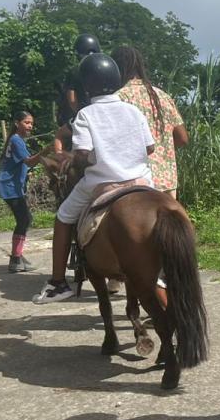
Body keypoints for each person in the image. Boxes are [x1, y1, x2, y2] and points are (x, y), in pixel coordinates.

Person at [32, 53, 156, 304]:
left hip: (101, 183)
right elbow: (149, 149)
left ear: (87, 86)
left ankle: (58, 282)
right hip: (143, 182)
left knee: (64, 217)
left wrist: (81, 160)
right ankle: (161, 272)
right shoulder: (133, 111)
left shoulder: (86, 115)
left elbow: (82, 153)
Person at [112, 46, 190, 199]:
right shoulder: (163, 96)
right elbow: (182, 139)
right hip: (167, 186)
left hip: (134, 182)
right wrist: (162, 150)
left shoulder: (119, 98)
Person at [0, 111, 43, 273]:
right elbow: (29, 161)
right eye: (27, 122)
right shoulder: (16, 140)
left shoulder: (16, 140)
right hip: (10, 187)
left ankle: (17, 256)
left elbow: (23, 164)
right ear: (17, 123)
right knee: (24, 219)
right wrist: (46, 151)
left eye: (31, 123)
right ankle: (15, 259)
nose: (30, 126)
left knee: (24, 220)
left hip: (12, 185)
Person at [53, 34, 102, 157]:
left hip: (82, 114)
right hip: (102, 112)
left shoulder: (75, 71)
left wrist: (80, 115)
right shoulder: (102, 68)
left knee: (60, 137)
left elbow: (72, 99)